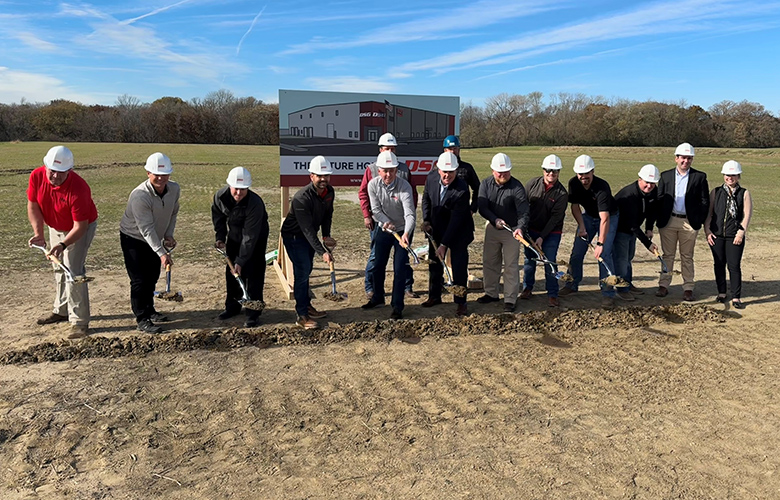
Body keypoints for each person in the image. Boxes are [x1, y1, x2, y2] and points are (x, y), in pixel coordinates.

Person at [27, 145, 98, 339]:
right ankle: (61, 310)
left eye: (61, 172)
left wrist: (62, 245)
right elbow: (33, 205)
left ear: (70, 170)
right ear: (45, 166)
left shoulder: (79, 189)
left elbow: (80, 227)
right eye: (52, 171)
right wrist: (38, 233)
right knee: (58, 267)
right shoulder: (36, 176)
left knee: (73, 271)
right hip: (54, 225)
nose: (55, 176)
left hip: (78, 229)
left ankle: (79, 322)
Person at [119, 152, 180, 334]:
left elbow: (173, 212)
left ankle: (150, 310)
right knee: (139, 280)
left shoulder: (174, 189)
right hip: (133, 239)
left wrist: (168, 235)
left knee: (152, 276)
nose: (161, 178)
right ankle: (142, 318)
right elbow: (146, 229)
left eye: (165, 174)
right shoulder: (139, 196)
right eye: (156, 174)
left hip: (155, 237)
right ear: (148, 173)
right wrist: (162, 253)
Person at [358, 133, 417, 300]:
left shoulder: (404, 169)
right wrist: (367, 216)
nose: (390, 151)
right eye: (387, 148)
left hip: (402, 222)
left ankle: (407, 287)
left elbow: (411, 194)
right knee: (377, 258)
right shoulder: (371, 170)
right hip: (380, 223)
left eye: (392, 148)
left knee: (402, 259)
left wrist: (406, 228)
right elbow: (364, 195)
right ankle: (372, 289)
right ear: (380, 149)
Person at [281, 156, 337, 330]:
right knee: (302, 272)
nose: (323, 179)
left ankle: (307, 306)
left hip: (308, 236)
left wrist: (326, 235)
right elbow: (306, 229)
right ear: (311, 176)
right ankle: (301, 315)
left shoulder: (330, 192)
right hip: (294, 236)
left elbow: (327, 215)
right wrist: (323, 252)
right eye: (319, 176)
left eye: (326, 175)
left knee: (307, 270)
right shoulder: (301, 198)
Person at [559, 155, 619, 309]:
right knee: (577, 252)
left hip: (608, 217)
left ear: (592, 171)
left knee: (604, 254)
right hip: (588, 217)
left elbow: (604, 218)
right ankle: (571, 284)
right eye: (580, 174)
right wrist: (582, 226)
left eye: (586, 174)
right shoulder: (574, 183)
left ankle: (607, 293)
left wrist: (600, 243)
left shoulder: (602, 187)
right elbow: (574, 206)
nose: (583, 177)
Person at [212, 167, 269, 327]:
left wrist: (241, 260)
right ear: (229, 185)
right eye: (236, 188)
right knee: (232, 273)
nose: (238, 192)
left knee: (254, 272)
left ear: (248, 188)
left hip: (256, 235)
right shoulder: (220, 197)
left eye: (243, 189)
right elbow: (218, 216)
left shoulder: (255, 203)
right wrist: (220, 237)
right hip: (235, 233)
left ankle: (253, 313)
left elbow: (250, 236)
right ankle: (232, 307)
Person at [421, 151, 474, 316]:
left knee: (458, 267)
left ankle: (461, 302)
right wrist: (426, 220)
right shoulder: (430, 179)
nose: (447, 175)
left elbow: (456, 220)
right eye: (444, 171)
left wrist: (444, 244)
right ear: (438, 169)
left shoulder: (462, 190)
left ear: (456, 171)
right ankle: (434, 296)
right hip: (436, 227)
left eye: (451, 172)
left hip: (458, 231)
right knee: (434, 264)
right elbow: (426, 199)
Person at [656, 143, 709, 301]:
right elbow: (659, 199)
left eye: (689, 158)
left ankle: (688, 287)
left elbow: (704, 201)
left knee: (687, 256)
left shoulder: (699, 177)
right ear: (676, 158)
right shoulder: (665, 176)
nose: (685, 161)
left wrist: (698, 220)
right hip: (669, 221)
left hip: (689, 223)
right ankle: (664, 285)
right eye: (683, 158)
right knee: (668, 255)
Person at [476, 153, 529, 312]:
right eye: (499, 172)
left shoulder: (517, 187)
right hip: (493, 227)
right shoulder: (485, 184)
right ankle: (491, 293)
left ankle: (510, 299)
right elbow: (482, 206)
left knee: (511, 265)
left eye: (506, 171)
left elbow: (523, 211)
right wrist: (495, 219)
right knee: (490, 261)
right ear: (493, 170)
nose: (503, 174)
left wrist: (520, 227)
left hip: (512, 231)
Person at [521, 154, 568, 307]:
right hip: (531, 229)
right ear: (543, 170)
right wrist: (524, 228)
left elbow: (555, 219)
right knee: (529, 260)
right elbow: (523, 206)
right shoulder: (532, 184)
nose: (551, 174)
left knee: (550, 260)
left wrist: (541, 237)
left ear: (558, 172)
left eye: (554, 171)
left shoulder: (562, 194)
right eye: (548, 171)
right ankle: (527, 288)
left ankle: (553, 294)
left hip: (552, 232)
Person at [704, 161, 752, 309]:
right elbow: (709, 214)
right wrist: (708, 231)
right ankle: (722, 292)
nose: (729, 178)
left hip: (734, 236)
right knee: (719, 264)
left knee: (734, 266)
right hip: (717, 235)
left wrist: (741, 232)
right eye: (727, 175)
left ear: (738, 176)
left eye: (733, 175)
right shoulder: (716, 192)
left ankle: (736, 296)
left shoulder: (744, 193)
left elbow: (747, 214)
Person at [613, 164, 661, 300]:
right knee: (621, 260)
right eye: (646, 182)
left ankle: (627, 283)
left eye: (652, 183)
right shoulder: (629, 195)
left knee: (629, 257)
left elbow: (652, 211)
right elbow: (632, 224)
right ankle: (622, 288)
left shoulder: (652, 191)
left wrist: (649, 228)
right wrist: (648, 244)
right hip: (620, 229)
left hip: (633, 230)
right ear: (640, 179)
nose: (649, 186)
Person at [442, 135, 480, 214]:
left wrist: (473, 208)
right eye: (450, 149)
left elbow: (478, 188)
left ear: (459, 149)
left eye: (455, 148)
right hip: (442, 211)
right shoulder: (438, 168)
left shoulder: (467, 168)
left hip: (462, 211)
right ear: (445, 150)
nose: (453, 151)